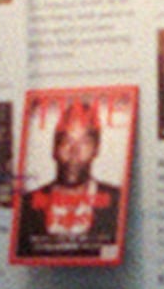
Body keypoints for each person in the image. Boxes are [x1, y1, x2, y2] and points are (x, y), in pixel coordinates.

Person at [14, 95, 127, 262]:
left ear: (96, 149)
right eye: (67, 141)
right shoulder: (26, 205)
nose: (74, 152)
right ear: (54, 148)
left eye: (84, 142)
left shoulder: (118, 201)